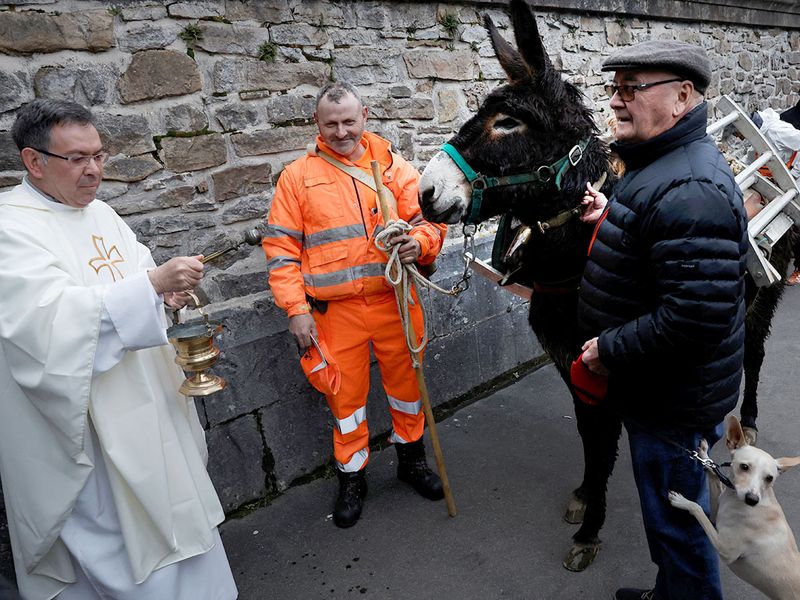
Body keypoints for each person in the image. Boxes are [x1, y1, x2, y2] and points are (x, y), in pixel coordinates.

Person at [0, 99, 238, 600]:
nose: (94, 171)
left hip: (150, 411)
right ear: (34, 161)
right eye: (78, 158)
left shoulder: (102, 214)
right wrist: (151, 284)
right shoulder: (11, 227)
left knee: (181, 524)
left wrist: (165, 296)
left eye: (100, 155)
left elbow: (138, 284)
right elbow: (43, 327)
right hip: (91, 433)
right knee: (124, 554)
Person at [578, 41, 748, 600]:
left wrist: (611, 349)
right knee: (669, 520)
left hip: (670, 398)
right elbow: (665, 249)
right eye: (616, 88)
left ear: (682, 98)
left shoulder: (690, 187)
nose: (618, 101)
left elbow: (694, 317)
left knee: (679, 528)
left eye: (633, 87)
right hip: (664, 391)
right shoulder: (665, 166)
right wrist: (613, 218)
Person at [262, 81, 447, 528]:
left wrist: (418, 246)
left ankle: (412, 460)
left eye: (349, 121)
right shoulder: (297, 178)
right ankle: (352, 476)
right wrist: (295, 309)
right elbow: (282, 249)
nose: (341, 131)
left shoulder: (392, 165)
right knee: (346, 400)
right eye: (331, 124)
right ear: (317, 124)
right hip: (334, 313)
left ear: (365, 116)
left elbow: (428, 220)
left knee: (408, 390)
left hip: (394, 301)